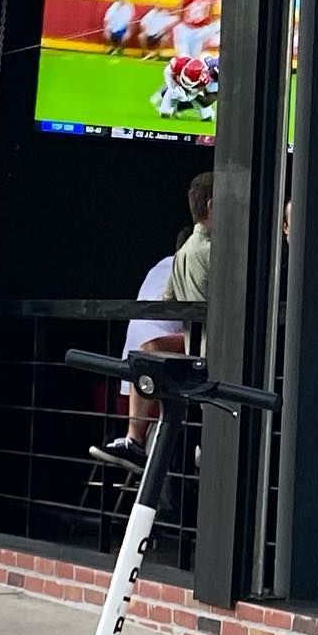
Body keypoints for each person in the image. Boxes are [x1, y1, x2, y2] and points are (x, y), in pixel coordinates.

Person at [91, 172, 212, 472]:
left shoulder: (180, 255)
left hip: (160, 374)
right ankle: (176, 447)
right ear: (212, 205)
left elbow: (166, 301)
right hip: (209, 354)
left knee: (149, 350)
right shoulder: (215, 253)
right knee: (151, 351)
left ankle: (137, 442)